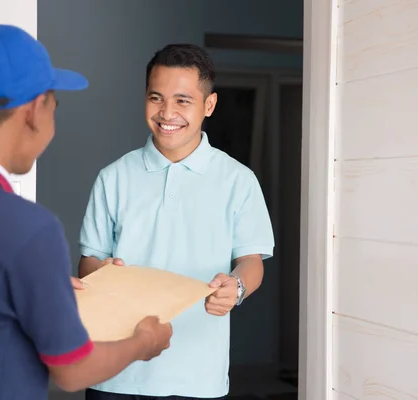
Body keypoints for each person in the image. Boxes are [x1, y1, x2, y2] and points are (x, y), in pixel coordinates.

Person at [0, 24, 172, 400]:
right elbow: (73, 371)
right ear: (35, 111)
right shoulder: (29, 229)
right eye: (55, 104)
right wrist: (143, 342)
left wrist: (40, 289)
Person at [78, 44, 275, 399]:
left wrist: (237, 287)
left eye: (183, 100)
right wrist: (103, 273)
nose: (167, 112)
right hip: (113, 373)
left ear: (209, 105)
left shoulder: (238, 180)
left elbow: (251, 261)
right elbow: (88, 261)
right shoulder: (113, 177)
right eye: (156, 98)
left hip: (198, 378)